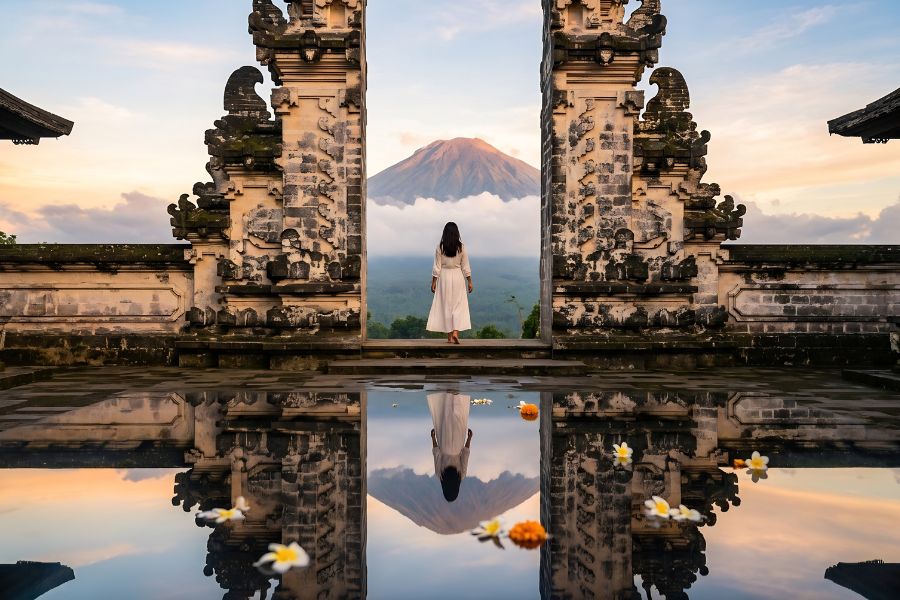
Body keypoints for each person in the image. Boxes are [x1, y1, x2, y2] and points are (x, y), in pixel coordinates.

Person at [426, 222, 473, 344]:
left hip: (444, 277)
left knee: (446, 305)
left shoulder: (440, 247)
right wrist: (469, 281)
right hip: (458, 276)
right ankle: (456, 332)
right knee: (457, 305)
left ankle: (449, 337)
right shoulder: (461, 247)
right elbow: (465, 266)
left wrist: (433, 282)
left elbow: (437, 267)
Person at [428, 391, 473, 503]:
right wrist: (433, 438)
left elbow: (465, 455)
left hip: (457, 446)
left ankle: (456, 396)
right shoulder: (440, 476)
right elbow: (436, 454)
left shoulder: (461, 476)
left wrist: (469, 438)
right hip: (444, 444)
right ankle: (448, 396)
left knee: (457, 419)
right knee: (447, 419)